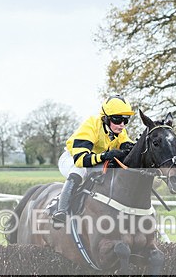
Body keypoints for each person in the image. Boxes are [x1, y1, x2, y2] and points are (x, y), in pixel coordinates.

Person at [51, 95, 136, 225]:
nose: (122, 125)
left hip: (95, 160)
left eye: (126, 120)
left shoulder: (118, 129)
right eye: (118, 119)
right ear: (106, 118)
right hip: (72, 159)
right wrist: (104, 156)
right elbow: (80, 160)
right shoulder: (91, 125)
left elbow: (126, 144)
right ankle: (61, 210)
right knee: (79, 171)